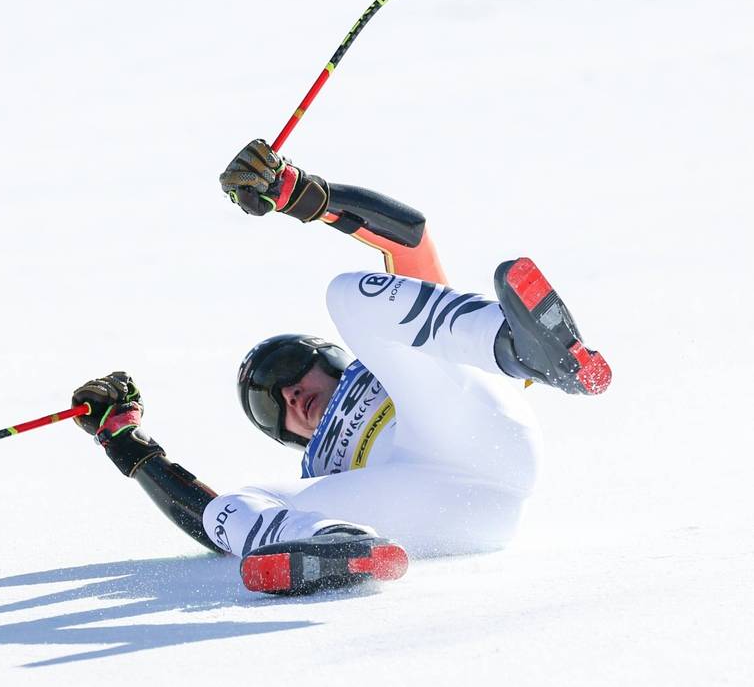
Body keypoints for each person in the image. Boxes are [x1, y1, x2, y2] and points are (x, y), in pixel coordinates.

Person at [70, 140, 612, 595]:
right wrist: (122, 438)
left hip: (480, 435)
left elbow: (412, 239)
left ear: (327, 359)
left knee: (349, 295)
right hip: (445, 513)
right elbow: (209, 522)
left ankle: (527, 350)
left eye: (289, 372)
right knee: (232, 508)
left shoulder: (390, 362)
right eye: (269, 407)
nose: (288, 398)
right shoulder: (318, 470)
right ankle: (337, 549)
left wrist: (299, 194)